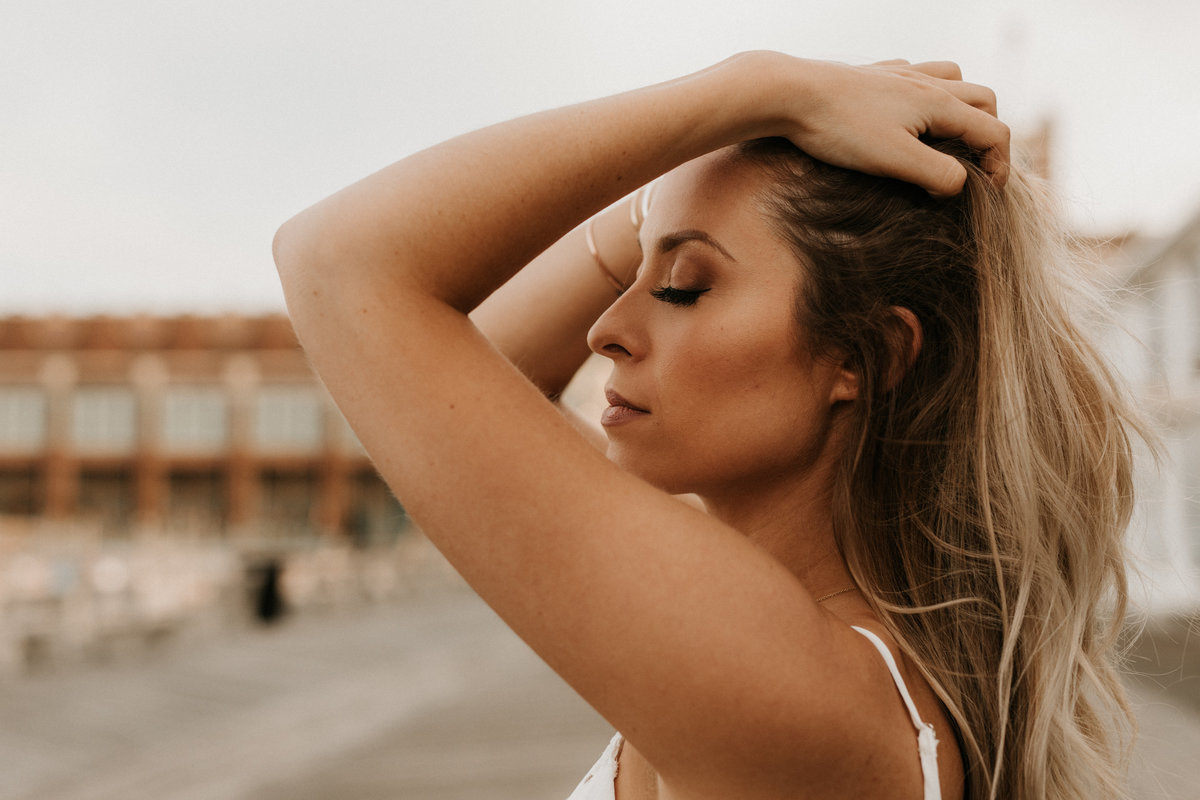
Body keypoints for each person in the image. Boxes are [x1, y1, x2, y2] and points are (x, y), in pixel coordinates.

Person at [273, 52, 1145, 800]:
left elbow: (339, 265)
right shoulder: (796, 657)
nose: (604, 329)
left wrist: (757, 86)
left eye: (682, 287)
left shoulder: (792, 686)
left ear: (865, 356)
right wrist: (671, 200)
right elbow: (478, 381)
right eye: (635, 275)